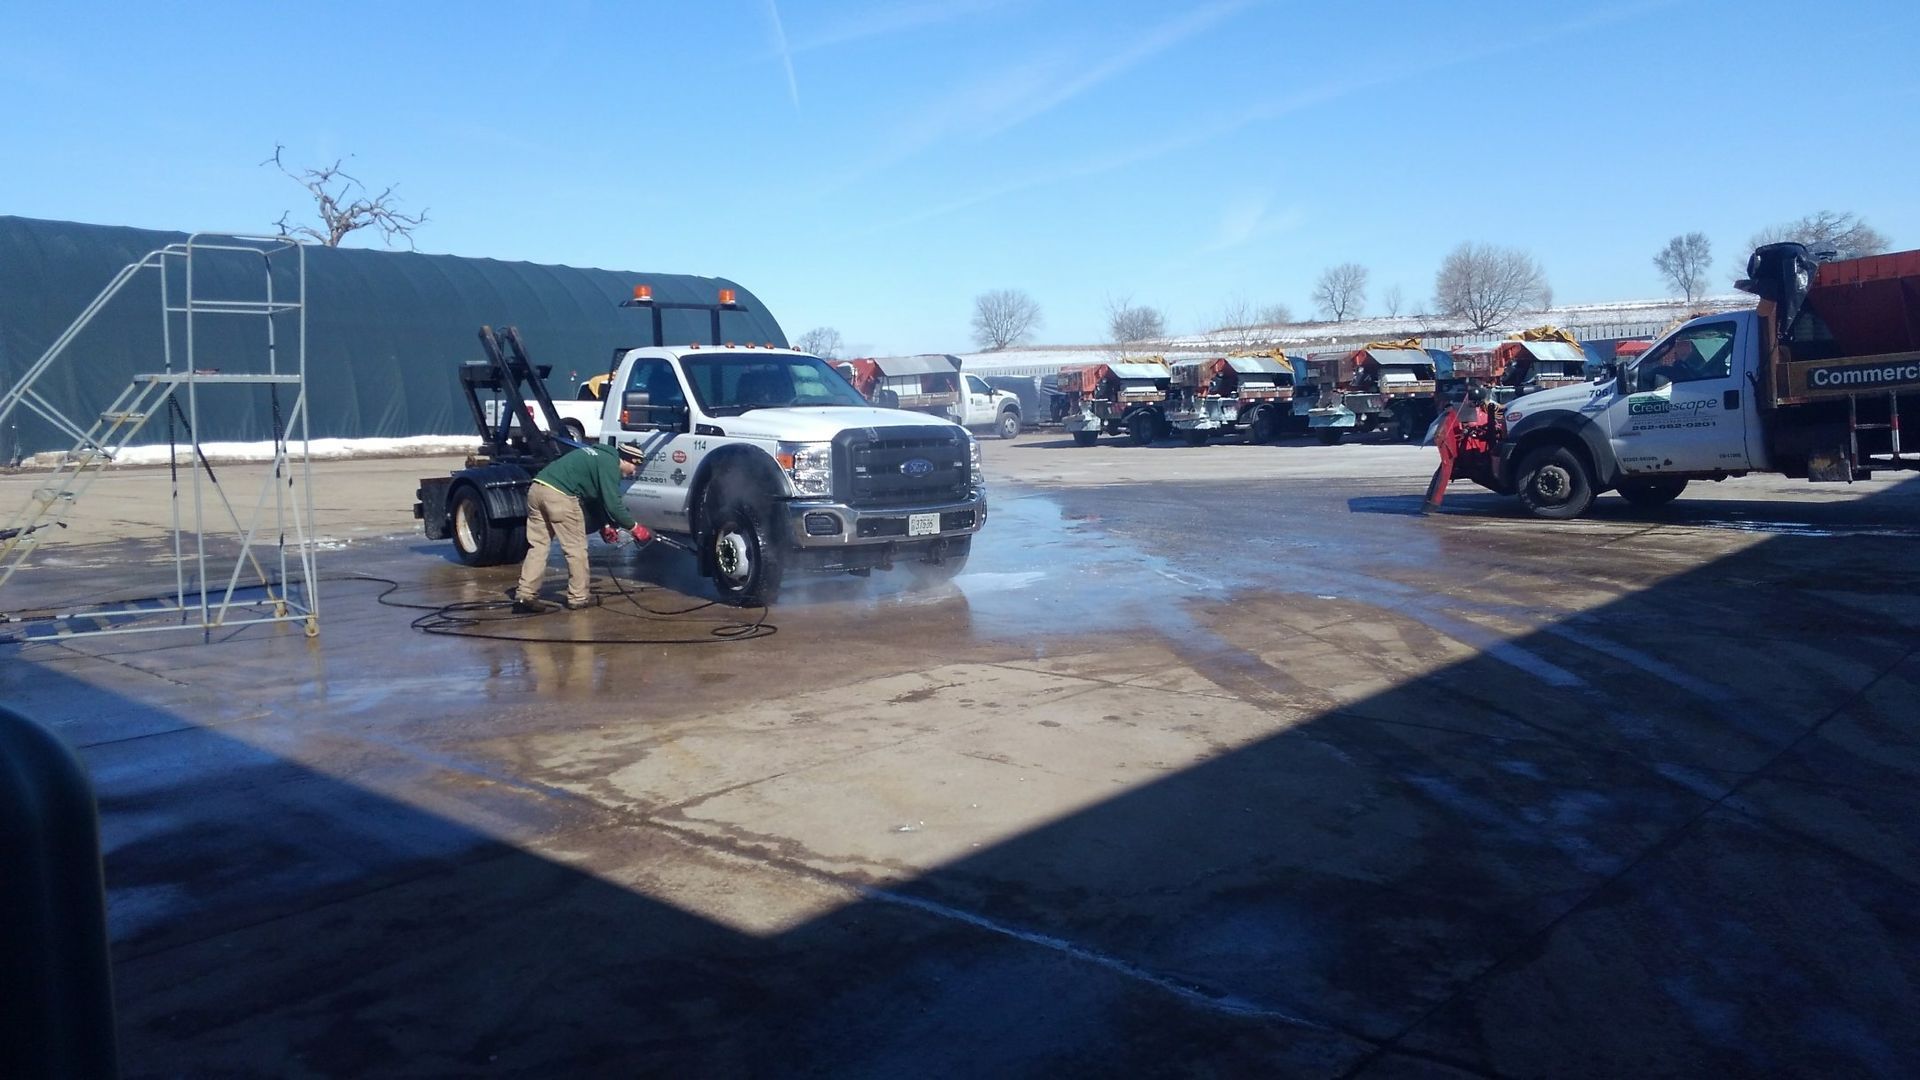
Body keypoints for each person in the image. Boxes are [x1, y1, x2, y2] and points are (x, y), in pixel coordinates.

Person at [513, 443, 651, 613]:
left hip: (537, 489)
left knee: (538, 546)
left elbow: (595, 497)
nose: (634, 472)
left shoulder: (597, 455)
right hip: (560, 496)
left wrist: (605, 524)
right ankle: (578, 597)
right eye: (635, 466)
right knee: (575, 549)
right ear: (626, 459)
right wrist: (634, 527)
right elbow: (613, 504)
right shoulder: (610, 464)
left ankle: (525, 595)